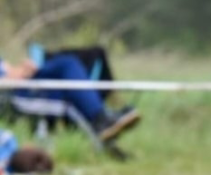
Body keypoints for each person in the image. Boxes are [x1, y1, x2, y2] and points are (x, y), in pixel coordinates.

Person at [0, 52, 140, 142]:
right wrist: (14, 77)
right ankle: (101, 119)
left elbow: (8, 70)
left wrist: (22, 70)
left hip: (24, 84)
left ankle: (102, 119)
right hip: (12, 94)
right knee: (69, 79)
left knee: (68, 66)